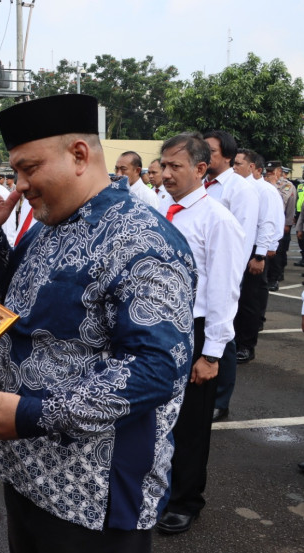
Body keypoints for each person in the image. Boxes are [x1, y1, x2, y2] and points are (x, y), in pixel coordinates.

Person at [0, 94, 197, 553]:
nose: (19, 185)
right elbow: (14, 306)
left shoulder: (143, 240)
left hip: (91, 495)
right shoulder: (48, 225)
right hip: (27, 470)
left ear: (80, 155)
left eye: (29, 168)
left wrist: (32, 415)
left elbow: (155, 370)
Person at [155, 132, 243, 535]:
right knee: (155, 416)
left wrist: (211, 354)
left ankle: (185, 500)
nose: (166, 174)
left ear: (200, 168)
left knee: (189, 424)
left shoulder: (217, 220)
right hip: (157, 327)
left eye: (175, 166)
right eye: (164, 165)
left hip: (195, 329)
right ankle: (156, 490)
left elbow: (224, 290)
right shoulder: (162, 209)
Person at [202, 130, 259, 423]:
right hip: (200, 273)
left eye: (210, 151)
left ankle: (221, 400)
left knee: (223, 334)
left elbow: (243, 238)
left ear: (227, 155)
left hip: (223, 272)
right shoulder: (202, 184)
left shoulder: (239, 189)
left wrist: (231, 278)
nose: (203, 155)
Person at [231, 149, 283, 364]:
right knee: (235, 298)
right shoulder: (235, 187)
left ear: (251, 167)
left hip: (254, 251)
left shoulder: (264, 190)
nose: (234, 168)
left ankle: (246, 346)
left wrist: (261, 254)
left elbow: (269, 223)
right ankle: (233, 340)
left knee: (250, 300)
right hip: (236, 248)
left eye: (238, 164)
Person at [265, 160, 295, 291]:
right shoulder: (262, 182)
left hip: (279, 223)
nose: (269, 174)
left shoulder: (286, 186)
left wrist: (288, 223)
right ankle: (267, 276)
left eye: (271, 171)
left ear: (279, 172)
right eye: (267, 171)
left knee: (277, 253)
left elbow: (288, 205)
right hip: (266, 222)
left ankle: (274, 279)